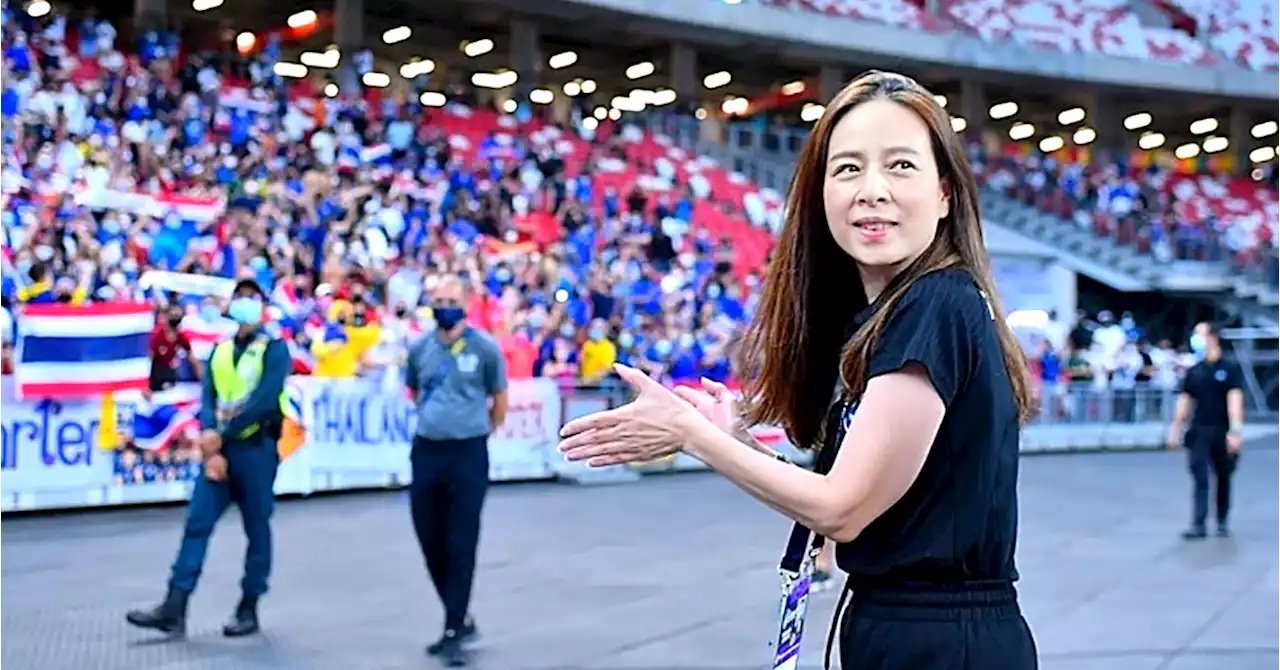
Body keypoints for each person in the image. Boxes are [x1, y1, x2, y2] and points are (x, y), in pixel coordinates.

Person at [558, 70, 1039, 669]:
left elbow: (842, 508)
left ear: (945, 193)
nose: (872, 189)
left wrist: (693, 437)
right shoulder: (899, 313)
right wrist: (738, 444)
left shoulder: (936, 305)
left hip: (939, 644)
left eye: (901, 166)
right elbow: (852, 503)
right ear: (819, 194)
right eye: (848, 168)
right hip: (909, 632)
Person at [126, 279, 291, 638]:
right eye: (240, 297)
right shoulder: (220, 350)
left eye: (252, 298)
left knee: (257, 528)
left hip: (256, 450)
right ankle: (175, 604)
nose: (244, 304)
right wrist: (211, 442)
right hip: (222, 450)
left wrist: (220, 437)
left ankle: (249, 606)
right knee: (197, 523)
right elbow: (209, 399)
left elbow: (265, 400)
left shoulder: (274, 350)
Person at [404, 274, 509, 667]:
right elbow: (414, 391)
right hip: (428, 451)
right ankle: (459, 614)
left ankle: (452, 627)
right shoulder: (419, 349)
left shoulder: (485, 349)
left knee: (461, 542)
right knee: (430, 539)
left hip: (468, 453)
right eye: (438, 298)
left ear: (465, 303)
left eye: (451, 298)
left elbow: (499, 399)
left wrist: (478, 430)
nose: (444, 305)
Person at [1165, 321, 1245, 539]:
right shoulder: (1195, 371)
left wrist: (1235, 431)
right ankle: (1198, 523)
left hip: (1221, 429)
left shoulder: (1229, 368)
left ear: (1213, 336)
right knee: (1200, 475)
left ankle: (1221, 519)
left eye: (1200, 333)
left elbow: (1234, 401)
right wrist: (1175, 429)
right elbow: (1185, 401)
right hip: (1199, 430)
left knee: (1223, 477)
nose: (1196, 338)